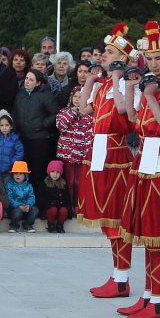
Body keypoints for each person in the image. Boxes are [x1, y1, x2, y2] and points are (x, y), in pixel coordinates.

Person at [114, 21, 160, 318]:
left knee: (157, 234)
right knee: (143, 232)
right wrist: (134, 89)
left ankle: (159, 300)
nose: (154, 63)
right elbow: (133, 119)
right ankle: (148, 295)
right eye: (150, 58)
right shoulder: (150, 83)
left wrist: (153, 95)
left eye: (159, 58)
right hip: (145, 162)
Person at [81, 24, 139, 298]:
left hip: (116, 153)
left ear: (123, 59)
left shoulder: (127, 84)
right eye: (104, 51)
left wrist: (116, 78)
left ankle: (122, 277)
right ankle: (117, 275)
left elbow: (122, 110)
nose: (102, 55)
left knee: (116, 215)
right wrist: (89, 84)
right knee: (106, 217)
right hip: (99, 152)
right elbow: (84, 111)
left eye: (108, 52)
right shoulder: (103, 85)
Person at [54, 64, 96, 217]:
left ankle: (80, 207)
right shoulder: (64, 112)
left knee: (80, 182)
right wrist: (74, 112)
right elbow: (61, 125)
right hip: (67, 155)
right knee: (69, 182)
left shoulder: (89, 116)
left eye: (81, 96)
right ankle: (69, 206)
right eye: (76, 97)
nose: (78, 99)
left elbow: (91, 133)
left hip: (83, 155)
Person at [12, 67, 61, 200]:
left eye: (31, 80)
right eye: (26, 78)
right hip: (23, 137)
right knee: (24, 170)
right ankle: (24, 200)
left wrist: (43, 124)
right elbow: (15, 112)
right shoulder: (20, 94)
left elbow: (56, 112)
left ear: (38, 83)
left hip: (40, 139)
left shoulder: (45, 95)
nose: (27, 82)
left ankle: (39, 201)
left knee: (38, 171)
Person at [5, 159, 38, 231]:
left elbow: (31, 197)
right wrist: (19, 206)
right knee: (17, 212)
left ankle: (27, 225)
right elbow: (9, 198)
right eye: (16, 173)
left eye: (20, 174)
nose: (18, 175)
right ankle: (14, 225)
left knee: (35, 210)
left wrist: (28, 205)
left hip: (26, 208)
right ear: (12, 175)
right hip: (14, 208)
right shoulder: (9, 185)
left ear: (25, 175)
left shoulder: (29, 185)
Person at [41, 161, 72, 233]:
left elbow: (67, 199)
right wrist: (50, 204)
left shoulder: (63, 184)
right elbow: (41, 199)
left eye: (57, 172)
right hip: (50, 208)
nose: (55, 174)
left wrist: (66, 207)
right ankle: (51, 224)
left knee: (64, 210)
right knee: (53, 209)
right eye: (53, 171)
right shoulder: (44, 184)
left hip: (60, 208)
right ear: (49, 172)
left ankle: (60, 225)